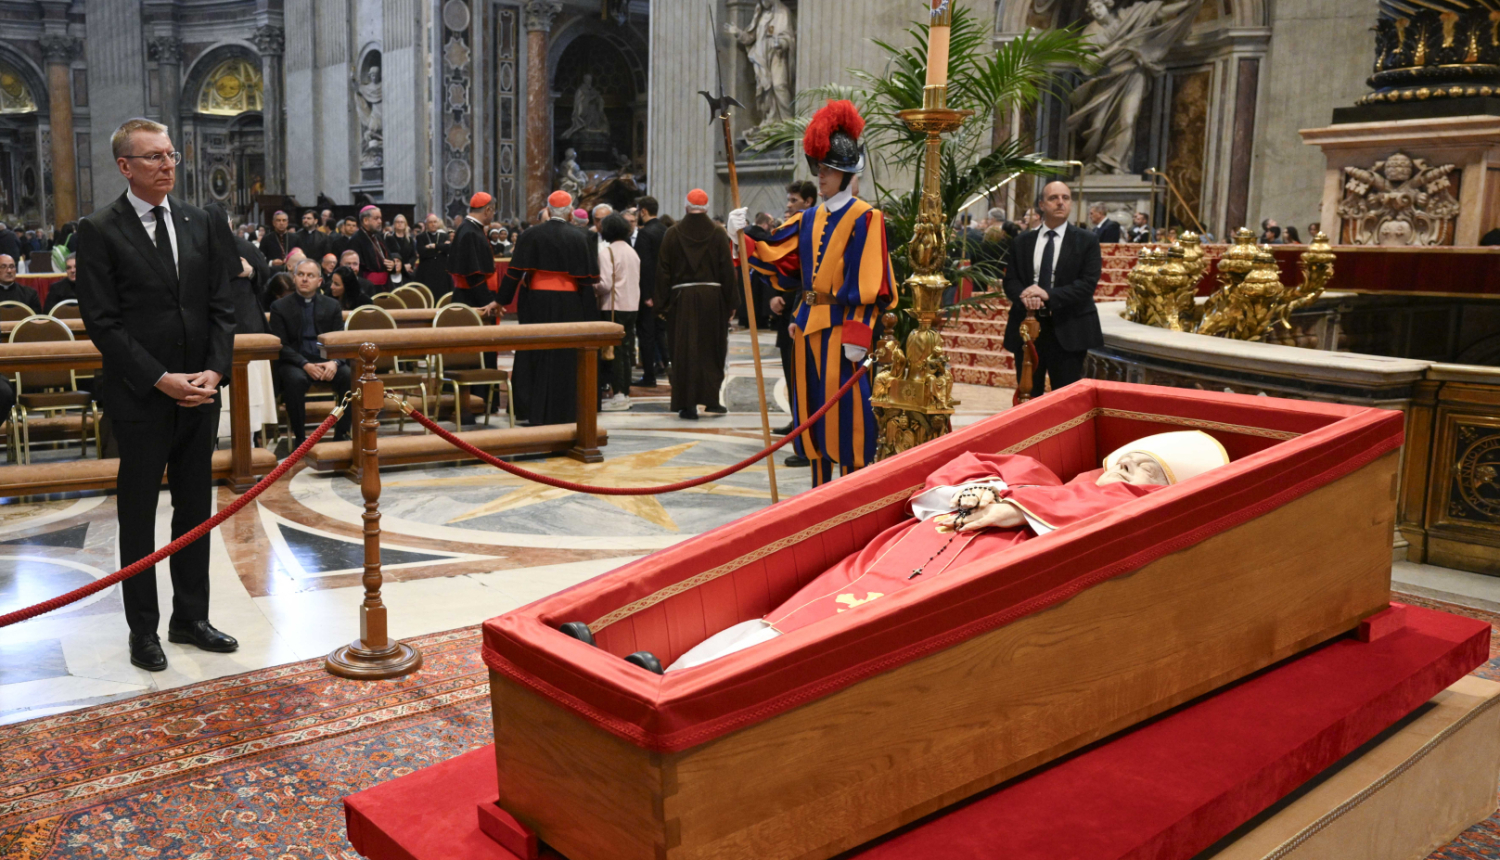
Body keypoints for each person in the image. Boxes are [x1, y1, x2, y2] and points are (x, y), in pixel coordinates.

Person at [658, 431, 1230, 671]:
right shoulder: (1038, 474)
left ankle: (687, 686)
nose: (1129, 470)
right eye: (1131, 457)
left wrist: (1017, 512)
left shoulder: (1120, 509)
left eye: (1150, 472)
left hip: (972, 571)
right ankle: (672, 672)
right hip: (905, 551)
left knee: (837, 641)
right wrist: (988, 493)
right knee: (795, 615)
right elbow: (941, 485)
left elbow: (1108, 520)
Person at [74, 117, 238, 671]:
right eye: (153, 157)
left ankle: (190, 617)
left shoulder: (202, 220)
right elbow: (103, 323)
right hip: (142, 396)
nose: (168, 165)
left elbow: (221, 303)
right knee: (138, 515)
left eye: (171, 155)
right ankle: (142, 629)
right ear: (125, 166)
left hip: (198, 392)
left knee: (195, 510)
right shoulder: (98, 229)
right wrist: (159, 379)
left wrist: (214, 372)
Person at [733, 100, 896, 486]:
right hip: (807, 332)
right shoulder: (808, 218)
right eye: (818, 167)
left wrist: (859, 334)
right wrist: (741, 235)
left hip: (844, 332)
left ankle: (851, 495)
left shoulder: (865, 217)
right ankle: (819, 493)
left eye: (829, 168)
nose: (820, 175)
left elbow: (871, 283)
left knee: (849, 423)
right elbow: (780, 258)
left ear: (845, 172)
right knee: (813, 419)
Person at [496, 189, 601, 425]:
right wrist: (591, 317)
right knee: (565, 354)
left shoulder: (531, 235)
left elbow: (514, 274)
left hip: (537, 302)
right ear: (570, 212)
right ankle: (565, 409)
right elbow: (586, 281)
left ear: (547, 210)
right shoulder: (580, 237)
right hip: (570, 304)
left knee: (535, 350)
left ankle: (528, 407)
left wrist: (500, 300)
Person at [1002, 180, 1103, 399]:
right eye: (1053, 198)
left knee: (1066, 401)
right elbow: (1010, 281)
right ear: (1041, 204)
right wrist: (1026, 297)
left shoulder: (1087, 241)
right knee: (1029, 396)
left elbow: (1087, 285)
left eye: (1065, 198)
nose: (1060, 203)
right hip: (1028, 327)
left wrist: (1047, 294)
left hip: (1069, 328)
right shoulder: (1022, 241)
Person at [657, 189, 735, 420]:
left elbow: (663, 270)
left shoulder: (672, 233)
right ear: (707, 208)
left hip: (681, 301)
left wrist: (662, 304)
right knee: (712, 350)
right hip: (713, 299)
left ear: (685, 207)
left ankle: (686, 404)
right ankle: (711, 401)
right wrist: (732, 302)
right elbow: (727, 270)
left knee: (683, 351)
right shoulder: (718, 233)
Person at [268, 258, 352, 447]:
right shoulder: (279, 307)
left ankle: (342, 433)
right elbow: (280, 344)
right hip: (296, 362)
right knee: (294, 379)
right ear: (294, 278)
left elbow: (340, 340)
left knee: (348, 375)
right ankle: (300, 438)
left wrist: (335, 362)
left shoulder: (332, 305)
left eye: (310, 275)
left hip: (325, 360)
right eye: (301, 275)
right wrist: (304, 364)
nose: (305, 279)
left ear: (319, 281)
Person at [596, 213, 640, 412]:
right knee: (626, 351)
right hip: (632, 305)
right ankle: (625, 393)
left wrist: (591, 286)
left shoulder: (607, 253)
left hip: (613, 307)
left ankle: (619, 394)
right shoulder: (632, 251)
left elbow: (605, 284)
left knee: (613, 352)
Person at [205, 202, 270, 334]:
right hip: (243, 320)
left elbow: (263, 276)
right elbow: (264, 277)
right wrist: (251, 273)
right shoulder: (247, 247)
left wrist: (251, 273)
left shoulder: (195, 248)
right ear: (229, 224)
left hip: (222, 319)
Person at [632, 195, 668, 388]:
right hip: (665, 293)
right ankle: (668, 370)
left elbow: (644, 266)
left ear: (643, 211)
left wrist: (646, 295)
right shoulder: (666, 230)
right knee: (661, 334)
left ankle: (649, 375)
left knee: (646, 335)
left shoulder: (646, 234)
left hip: (650, 295)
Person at [450, 192, 500, 318]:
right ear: (488, 210)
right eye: (493, 211)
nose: (493, 215)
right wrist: (489, 302)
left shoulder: (470, 228)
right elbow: (474, 276)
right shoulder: (470, 232)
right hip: (472, 301)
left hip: (472, 297)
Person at [351, 205, 395, 292]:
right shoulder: (356, 240)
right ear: (365, 220)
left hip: (386, 285)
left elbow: (388, 256)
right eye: (376, 218)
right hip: (367, 288)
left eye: (380, 218)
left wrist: (392, 264)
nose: (380, 221)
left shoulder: (378, 237)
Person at [414, 213, 451, 296]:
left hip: (441, 272)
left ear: (438, 223)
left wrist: (434, 246)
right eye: (430, 222)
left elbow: (449, 248)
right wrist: (440, 249)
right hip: (426, 272)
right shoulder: (421, 237)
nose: (433, 224)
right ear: (426, 224)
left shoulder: (444, 236)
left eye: (435, 222)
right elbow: (422, 252)